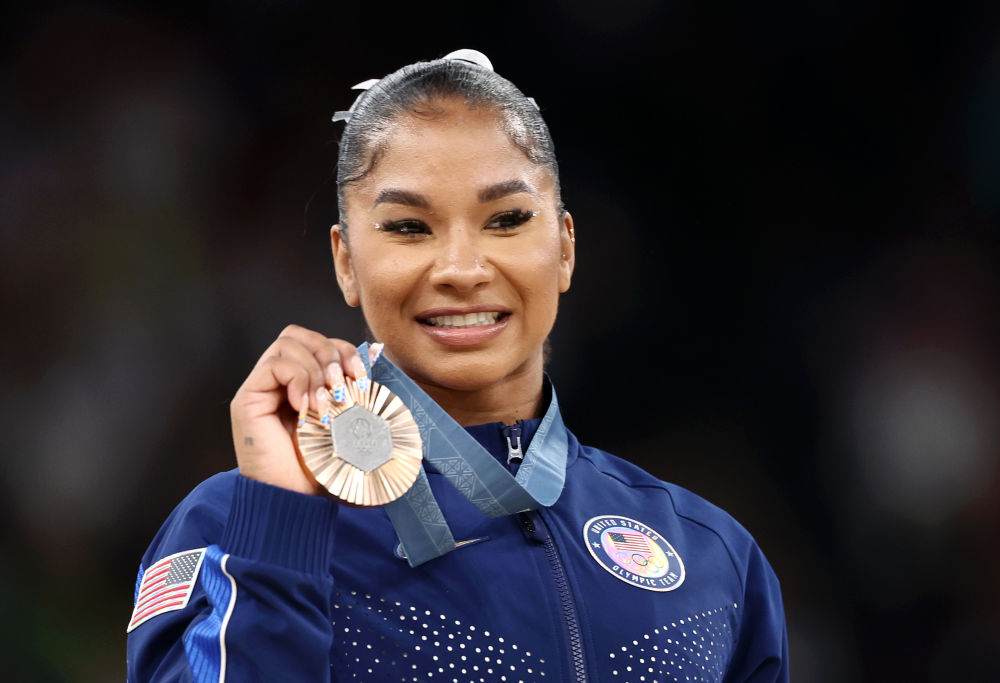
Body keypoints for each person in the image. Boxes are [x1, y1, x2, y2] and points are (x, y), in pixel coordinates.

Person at [126, 49, 788, 682]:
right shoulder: (232, 527)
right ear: (346, 261)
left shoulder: (712, 557)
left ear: (563, 248)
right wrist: (280, 520)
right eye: (410, 228)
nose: (463, 270)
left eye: (506, 219)